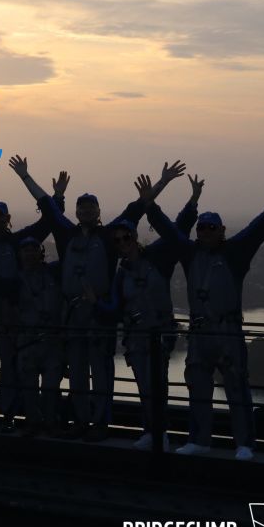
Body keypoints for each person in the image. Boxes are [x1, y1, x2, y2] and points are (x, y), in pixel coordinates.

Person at [10, 155, 183, 441]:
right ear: (77, 212)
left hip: (100, 312)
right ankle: (80, 421)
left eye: (91, 207)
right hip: (73, 315)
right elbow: (48, 206)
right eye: (81, 207)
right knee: (77, 372)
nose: (86, 211)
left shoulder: (108, 237)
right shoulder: (66, 234)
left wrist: (162, 182)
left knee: (101, 370)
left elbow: (137, 208)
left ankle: (101, 422)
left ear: (98, 211)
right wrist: (25, 176)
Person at [144, 175, 264, 460]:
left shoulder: (236, 252)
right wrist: (150, 206)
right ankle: (199, 440)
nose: (205, 232)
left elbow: (255, 231)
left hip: (227, 333)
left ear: (221, 230)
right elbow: (170, 231)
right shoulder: (189, 253)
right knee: (198, 387)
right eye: (201, 228)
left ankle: (245, 444)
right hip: (199, 335)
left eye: (211, 228)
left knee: (237, 387)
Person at [86, 172, 203, 450]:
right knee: (145, 388)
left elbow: (177, 231)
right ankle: (151, 432)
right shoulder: (121, 274)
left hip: (158, 336)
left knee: (158, 387)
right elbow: (114, 309)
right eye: (117, 241)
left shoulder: (158, 258)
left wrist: (192, 201)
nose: (122, 243)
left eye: (126, 237)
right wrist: (96, 303)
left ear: (134, 237)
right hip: (136, 339)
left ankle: (161, 434)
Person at [0, 156, 67, 432]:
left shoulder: (17, 241)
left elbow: (47, 224)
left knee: (10, 367)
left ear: (7, 219)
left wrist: (57, 197)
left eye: (1, 216)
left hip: (9, 314)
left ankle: (8, 414)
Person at [0, 237, 64, 436]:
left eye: (34, 249)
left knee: (51, 387)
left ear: (41, 253)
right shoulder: (16, 282)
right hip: (27, 342)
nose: (30, 254)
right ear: (19, 255)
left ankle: (51, 423)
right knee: (29, 388)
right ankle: (34, 423)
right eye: (26, 250)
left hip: (52, 342)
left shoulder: (54, 272)